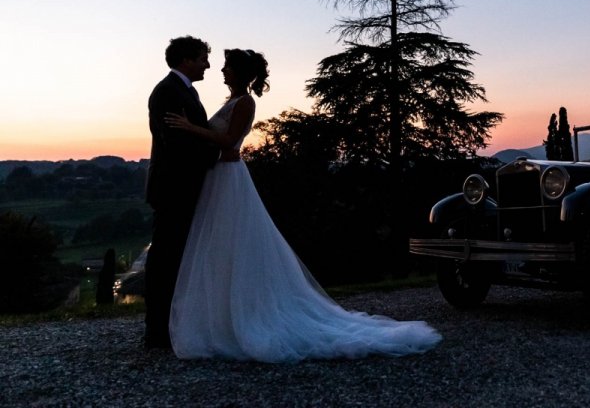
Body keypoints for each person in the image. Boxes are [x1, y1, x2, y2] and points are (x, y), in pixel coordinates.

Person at [164, 48, 441, 362]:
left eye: (227, 67)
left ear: (241, 73)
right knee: (220, 248)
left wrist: (190, 128)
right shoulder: (231, 101)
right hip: (218, 177)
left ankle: (242, 316)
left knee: (233, 245)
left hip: (229, 176)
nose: (222, 71)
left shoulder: (245, 102)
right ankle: (221, 315)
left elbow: (229, 141)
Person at [144, 35, 221, 350]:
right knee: (165, 258)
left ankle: (173, 326)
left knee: (178, 257)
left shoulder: (186, 91)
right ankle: (158, 332)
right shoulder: (167, 92)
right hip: (174, 187)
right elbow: (177, 143)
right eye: (203, 57)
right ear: (186, 59)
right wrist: (216, 156)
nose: (208, 64)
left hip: (185, 186)